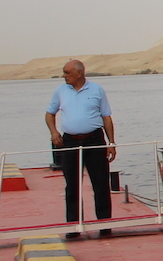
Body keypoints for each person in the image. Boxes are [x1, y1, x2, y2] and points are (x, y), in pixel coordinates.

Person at [44, 61, 116, 239]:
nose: (64, 75)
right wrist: (54, 132)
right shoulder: (60, 91)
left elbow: (106, 117)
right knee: (72, 184)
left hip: (94, 139)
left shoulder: (97, 90)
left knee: (100, 183)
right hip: (70, 141)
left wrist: (111, 143)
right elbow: (49, 113)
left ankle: (105, 224)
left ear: (79, 73)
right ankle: (74, 225)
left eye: (67, 72)